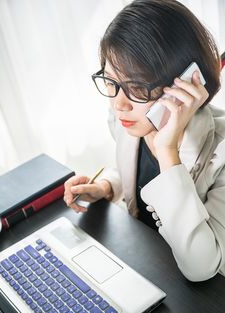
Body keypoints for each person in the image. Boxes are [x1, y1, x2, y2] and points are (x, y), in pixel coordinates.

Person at [64, 0, 225, 282]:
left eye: (137, 87)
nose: (118, 103)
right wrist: (106, 187)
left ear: (187, 83)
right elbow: (139, 172)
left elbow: (201, 266)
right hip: (144, 266)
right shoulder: (130, 119)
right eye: (111, 81)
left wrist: (167, 150)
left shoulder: (221, 151)